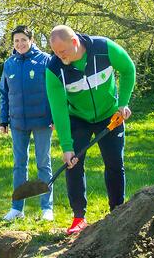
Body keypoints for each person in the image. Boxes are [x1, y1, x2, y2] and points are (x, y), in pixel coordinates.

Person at [46, 25, 135, 235]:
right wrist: (67, 147)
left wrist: (123, 103)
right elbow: (58, 109)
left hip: (109, 115)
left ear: (75, 42)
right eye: (56, 52)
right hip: (77, 117)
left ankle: (117, 212)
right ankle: (78, 217)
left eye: (63, 51)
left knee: (114, 163)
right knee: (73, 164)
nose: (59, 56)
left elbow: (128, 68)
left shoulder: (104, 48)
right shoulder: (53, 69)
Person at [0, 25, 54, 221]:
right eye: (16, 41)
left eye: (23, 40)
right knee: (19, 165)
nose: (20, 44)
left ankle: (47, 208)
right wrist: (3, 120)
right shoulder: (9, 64)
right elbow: (4, 94)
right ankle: (17, 208)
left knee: (43, 163)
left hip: (42, 121)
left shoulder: (45, 61)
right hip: (18, 123)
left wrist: (54, 118)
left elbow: (55, 91)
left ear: (31, 40)